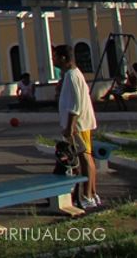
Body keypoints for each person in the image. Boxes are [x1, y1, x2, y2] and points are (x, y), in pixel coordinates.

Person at [54, 44, 99, 208]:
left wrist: (69, 127)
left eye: (55, 56)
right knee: (86, 157)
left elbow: (76, 105)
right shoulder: (71, 75)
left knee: (85, 157)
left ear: (63, 58)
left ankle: (88, 196)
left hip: (78, 125)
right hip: (78, 124)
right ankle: (91, 193)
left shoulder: (73, 76)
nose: (53, 60)